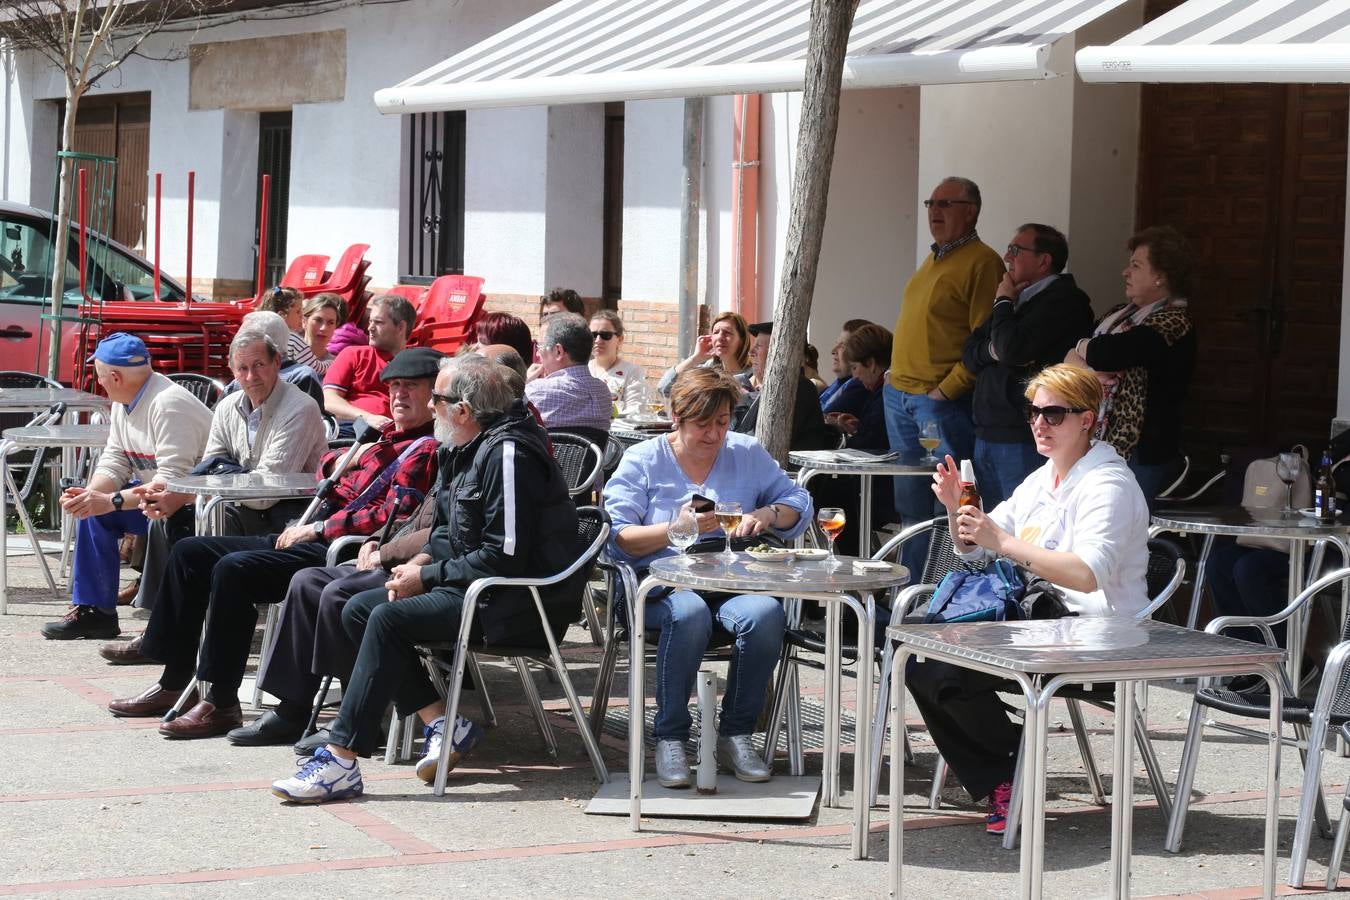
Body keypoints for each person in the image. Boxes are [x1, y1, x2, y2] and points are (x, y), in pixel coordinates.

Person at [270, 355, 581, 802]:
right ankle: (442, 721)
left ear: (464, 409)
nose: (431, 406)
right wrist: (424, 560)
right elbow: (450, 531)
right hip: (478, 585)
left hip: (518, 601)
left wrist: (429, 576)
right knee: (359, 609)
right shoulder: (464, 446)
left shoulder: (509, 453)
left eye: (437, 398)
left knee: (386, 618)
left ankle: (341, 758)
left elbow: (506, 556)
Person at [105, 348, 444, 737]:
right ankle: (174, 681)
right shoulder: (382, 436)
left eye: (411, 387)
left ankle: (221, 701)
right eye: (394, 386)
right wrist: (338, 463)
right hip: (309, 529)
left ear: (434, 396)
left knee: (233, 571)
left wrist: (318, 529)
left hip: (341, 547)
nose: (399, 395)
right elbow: (326, 474)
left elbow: (390, 519)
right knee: (190, 552)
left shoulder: (428, 448)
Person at [909, 363, 1149, 835]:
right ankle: (1010, 761)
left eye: (1054, 414)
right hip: (1039, 619)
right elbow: (978, 546)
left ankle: (1007, 765)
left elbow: (1084, 576)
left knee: (938, 658)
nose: (1040, 423)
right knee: (917, 646)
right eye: (1033, 412)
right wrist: (960, 511)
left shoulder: (1108, 484)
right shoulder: (1044, 478)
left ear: (1088, 419)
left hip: (1096, 630)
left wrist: (1000, 542)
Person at [604, 367, 812, 788]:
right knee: (690, 612)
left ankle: (736, 733)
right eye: (703, 424)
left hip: (728, 580)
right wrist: (678, 529)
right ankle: (671, 737)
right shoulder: (643, 460)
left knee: (766, 613)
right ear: (676, 416)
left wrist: (766, 514)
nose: (715, 435)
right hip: (658, 585)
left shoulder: (746, 451)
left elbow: (797, 499)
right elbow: (619, 537)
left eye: (722, 422)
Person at [101, 330, 327, 659]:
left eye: (259, 365)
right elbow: (210, 467)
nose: (251, 376)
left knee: (193, 539)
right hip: (240, 508)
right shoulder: (228, 406)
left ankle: (173, 638)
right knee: (171, 519)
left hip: (287, 518)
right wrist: (177, 495)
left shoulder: (299, 408)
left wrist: (211, 481)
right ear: (232, 371)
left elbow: (265, 491)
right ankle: (168, 634)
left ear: (277, 363)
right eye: (242, 368)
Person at [41, 333, 213, 640]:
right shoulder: (125, 400)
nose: (100, 383)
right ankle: (96, 612)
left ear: (115, 377)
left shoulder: (168, 404)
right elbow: (115, 459)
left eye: (100, 377)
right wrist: (92, 495)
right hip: (156, 497)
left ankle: (167, 629)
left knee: (109, 509)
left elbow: (172, 483)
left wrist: (110, 501)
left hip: (196, 506)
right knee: (94, 514)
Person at [886, 177, 1005, 569]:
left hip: (937, 404)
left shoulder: (983, 262)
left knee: (948, 506)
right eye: (930, 203)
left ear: (970, 211)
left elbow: (984, 339)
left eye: (945, 204)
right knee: (910, 506)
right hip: (901, 396)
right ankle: (910, 590)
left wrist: (947, 390)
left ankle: (939, 595)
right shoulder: (936, 257)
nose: (934, 212)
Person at [963, 224, 1094, 510]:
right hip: (986, 432)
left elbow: (1012, 348)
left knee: (1025, 529)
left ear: (1043, 260)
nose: (1007, 257)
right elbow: (969, 352)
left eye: (1015, 250)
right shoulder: (1016, 299)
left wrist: (1003, 303)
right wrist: (996, 348)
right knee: (987, 527)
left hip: (1023, 434)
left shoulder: (1064, 301)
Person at [1066, 225, 1196, 508]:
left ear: (1161, 277)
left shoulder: (1173, 322)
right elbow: (1066, 360)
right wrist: (1086, 364)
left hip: (1140, 451)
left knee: (1118, 524)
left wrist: (1083, 351)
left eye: (1136, 266)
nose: (1126, 272)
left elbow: (1109, 353)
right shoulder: (1116, 315)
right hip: (1093, 442)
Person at [817, 323, 895, 555]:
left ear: (870, 363)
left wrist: (855, 436)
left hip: (882, 489)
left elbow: (874, 444)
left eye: (855, 367)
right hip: (878, 482)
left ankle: (854, 557)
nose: (855, 375)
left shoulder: (886, 393)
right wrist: (858, 428)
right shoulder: (879, 392)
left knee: (830, 494)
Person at [323, 294, 417, 431]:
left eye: (378, 322)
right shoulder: (353, 354)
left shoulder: (418, 365)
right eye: (370, 321)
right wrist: (367, 417)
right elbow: (329, 400)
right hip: (351, 430)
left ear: (401, 327)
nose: (370, 328)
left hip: (399, 437)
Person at [734, 322, 830, 451]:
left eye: (758, 346)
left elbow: (769, 442)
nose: (751, 352)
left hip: (787, 469)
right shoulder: (766, 387)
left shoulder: (796, 388)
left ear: (777, 352)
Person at [524, 312, 612, 443]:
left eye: (540, 346)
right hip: (592, 463)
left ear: (558, 352)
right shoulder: (603, 392)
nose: (537, 353)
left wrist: (524, 383)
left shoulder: (536, 391)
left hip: (545, 462)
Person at [224, 311, 325, 409]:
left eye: (244, 337)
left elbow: (307, 419)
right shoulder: (241, 379)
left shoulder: (302, 376)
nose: (251, 377)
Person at [656, 310, 752, 395]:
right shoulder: (708, 370)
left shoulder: (753, 375)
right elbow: (664, 389)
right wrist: (696, 358)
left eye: (727, 332)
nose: (720, 337)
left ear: (742, 340)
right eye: (716, 332)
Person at [588, 310, 647, 417]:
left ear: (620, 339)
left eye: (605, 335)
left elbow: (635, 410)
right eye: (593, 335)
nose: (598, 340)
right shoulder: (582, 369)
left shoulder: (632, 372)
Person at [820, 318, 873, 416]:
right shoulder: (836, 386)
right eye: (837, 344)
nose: (833, 351)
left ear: (859, 352)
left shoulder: (859, 387)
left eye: (843, 346)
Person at [292, 292, 347, 375]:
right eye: (318, 320)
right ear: (304, 321)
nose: (324, 328)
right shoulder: (286, 355)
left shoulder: (338, 365)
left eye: (331, 322)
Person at [259, 285, 310, 366]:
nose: (302, 315)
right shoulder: (292, 339)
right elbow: (315, 365)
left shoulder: (259, 335)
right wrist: (331, 362)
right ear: (282, 316)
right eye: (298, 311)